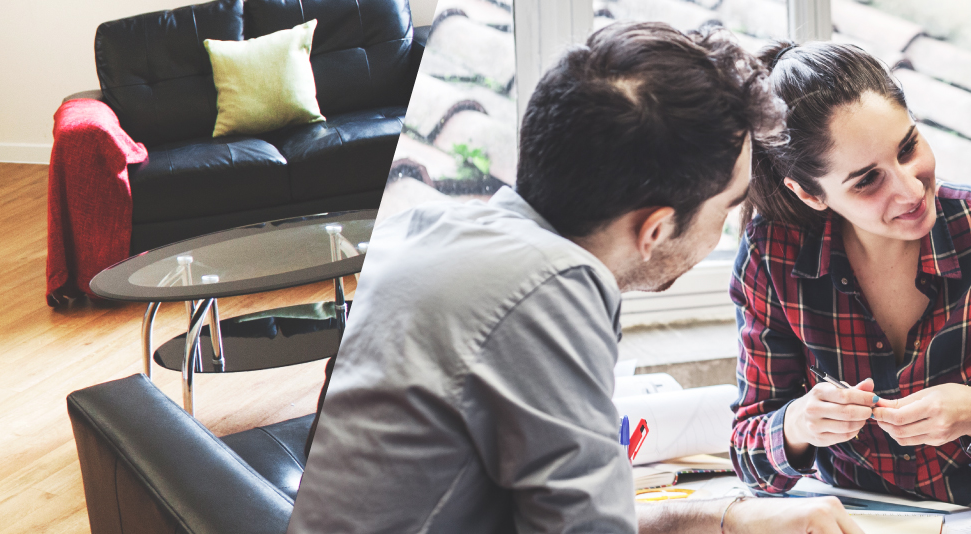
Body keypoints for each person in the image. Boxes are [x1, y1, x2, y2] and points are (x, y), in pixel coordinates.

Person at [288, 23, 862, 534]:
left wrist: (721, 517)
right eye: (726, 209)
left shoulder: (428, 227)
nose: (725, 234)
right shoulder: (549, 290)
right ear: (656, 229)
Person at [729, 41, 971, 512]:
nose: (911, 188)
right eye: (867, 181)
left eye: (908, 146)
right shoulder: (771, 254)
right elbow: (748, 455)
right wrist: (797, 424)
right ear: (809, 194)